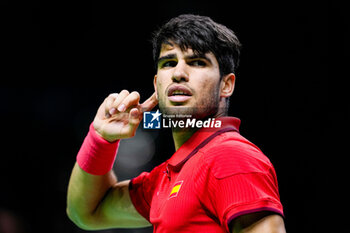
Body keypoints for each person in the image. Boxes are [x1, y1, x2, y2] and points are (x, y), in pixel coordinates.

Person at [67, 14, 286, 233]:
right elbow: (86, 212)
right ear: (157, 84)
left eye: (197, 62)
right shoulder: (167, 177)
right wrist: (101, 138)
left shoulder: (230, 157)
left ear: (226, 85)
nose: (178, 74)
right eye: (169, 63)